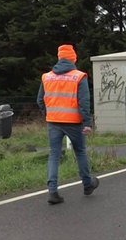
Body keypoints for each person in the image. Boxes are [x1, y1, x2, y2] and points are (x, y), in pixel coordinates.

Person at [37, 43, 99, 205]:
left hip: (53, 122)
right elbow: (84, 101)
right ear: (73, 58)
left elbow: (39, 100)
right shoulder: (79, 76)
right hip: (73, 122)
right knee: (80, 152)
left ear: (59, 58)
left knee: (54, 155)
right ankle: (87, 184)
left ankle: (52, 191)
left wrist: (48, 114)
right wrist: (87, 122)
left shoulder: (47, 77)